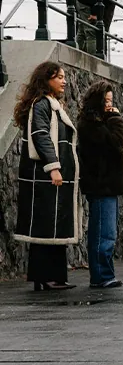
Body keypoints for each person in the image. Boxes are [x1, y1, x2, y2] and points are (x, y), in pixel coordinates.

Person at [13, 61, 80, 291]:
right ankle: (47, 276)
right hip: (45, 176)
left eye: (63, 76)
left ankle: (51, 276)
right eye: (58, 76)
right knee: (46, 225)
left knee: (52, 224)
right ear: (46, 79)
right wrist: (53, 166)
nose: (63, 81)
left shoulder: (52, 105)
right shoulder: (42, 105)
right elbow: (41, 135)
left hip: (50, 175)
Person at [77, 80, 123, 288]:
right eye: (107, 100)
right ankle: (102, 275)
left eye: (112, 101)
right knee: (104, 233)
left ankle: (104, 274)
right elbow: (118, 143)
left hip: (106, 184)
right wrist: (116, 117)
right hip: (101, 184)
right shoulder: (91, 124)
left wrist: (114, 119)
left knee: (106, 232)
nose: (110, 105)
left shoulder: (102, 121)